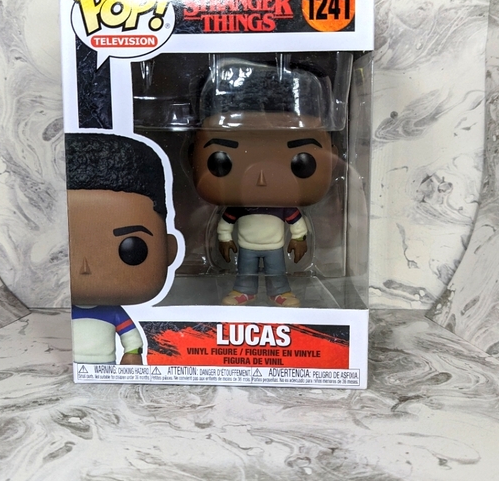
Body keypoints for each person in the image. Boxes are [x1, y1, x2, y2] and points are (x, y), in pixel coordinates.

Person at [191, 59, 337, 307]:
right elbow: (226, 222)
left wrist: (299, 239)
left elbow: (296, 223)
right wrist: (224, 239)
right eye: (222, 162)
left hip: (274, 246)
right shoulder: (239, 207)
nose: (261, 179)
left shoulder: (282, 207)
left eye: (301, 162)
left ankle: (279, 292)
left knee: (276, 271)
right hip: (247, 246)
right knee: (245, 271)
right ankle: (244, 291)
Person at [65, 133, 177, 364]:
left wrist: (132, 354)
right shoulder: (59, 314)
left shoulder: (112, 312)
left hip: (105, 367)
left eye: (131, 249)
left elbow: (131, 339)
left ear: (169, 250)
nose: (85, 268)